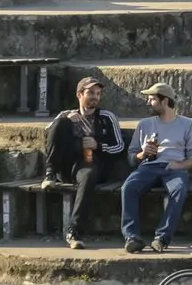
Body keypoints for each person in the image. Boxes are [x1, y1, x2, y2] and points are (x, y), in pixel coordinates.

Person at [43, 77, 129, 249]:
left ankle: (73, 231)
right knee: (60, 123)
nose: (95, 97)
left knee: (88, 175)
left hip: (90, 165)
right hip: (66, 166)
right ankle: (50, 173)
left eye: (98, 94)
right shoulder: (66, 115)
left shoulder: (107, 117)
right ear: (79, 94)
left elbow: (119, 147)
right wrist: (68, 120)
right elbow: (49, 138)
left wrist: (99, 146)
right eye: (90, 93)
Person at [122, 84, 192, 253]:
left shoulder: (186, 124)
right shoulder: (144, 124)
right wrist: (142, 154)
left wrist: (180, 164)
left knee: (179, 189)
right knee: (128, 187)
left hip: (174, 168)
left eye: (152, 99)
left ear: (165, 101)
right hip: (148, 167)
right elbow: (131, 156)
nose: (148, 103)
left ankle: (162, 238)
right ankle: (132, 237)